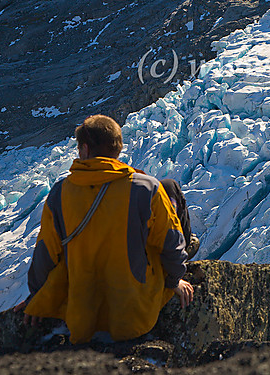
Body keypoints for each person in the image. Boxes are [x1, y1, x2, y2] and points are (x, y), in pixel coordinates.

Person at [18, 114, 194, 343]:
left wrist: (36, 298)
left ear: (84, 149)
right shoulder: (145, 188)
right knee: (170, 189)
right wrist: (174, 281)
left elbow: (45, 254)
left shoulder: (60, 193)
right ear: (118, 148)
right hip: (135, 316)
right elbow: (171, 245)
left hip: (83, 320)